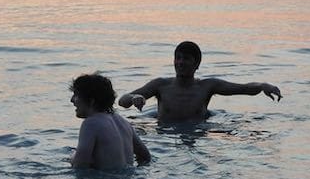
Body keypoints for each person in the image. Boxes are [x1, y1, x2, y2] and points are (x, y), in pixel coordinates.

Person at [117, 40, 282, 123]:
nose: (180, 62)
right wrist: (134, 98)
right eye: (178, 58)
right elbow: (122, 101)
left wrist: (262, 85)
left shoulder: (207, 86)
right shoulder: (161, 85)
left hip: (197, 137)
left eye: (186, 59)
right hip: (165, 139)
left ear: (197, 64)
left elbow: (244, 89)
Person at [70, 72, 150, 169]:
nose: (72, 100)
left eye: (76, 95)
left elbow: (79, 165)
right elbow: (145, 157)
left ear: (91, 101)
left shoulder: (91, 124)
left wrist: (73, 156)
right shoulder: (123, 122)